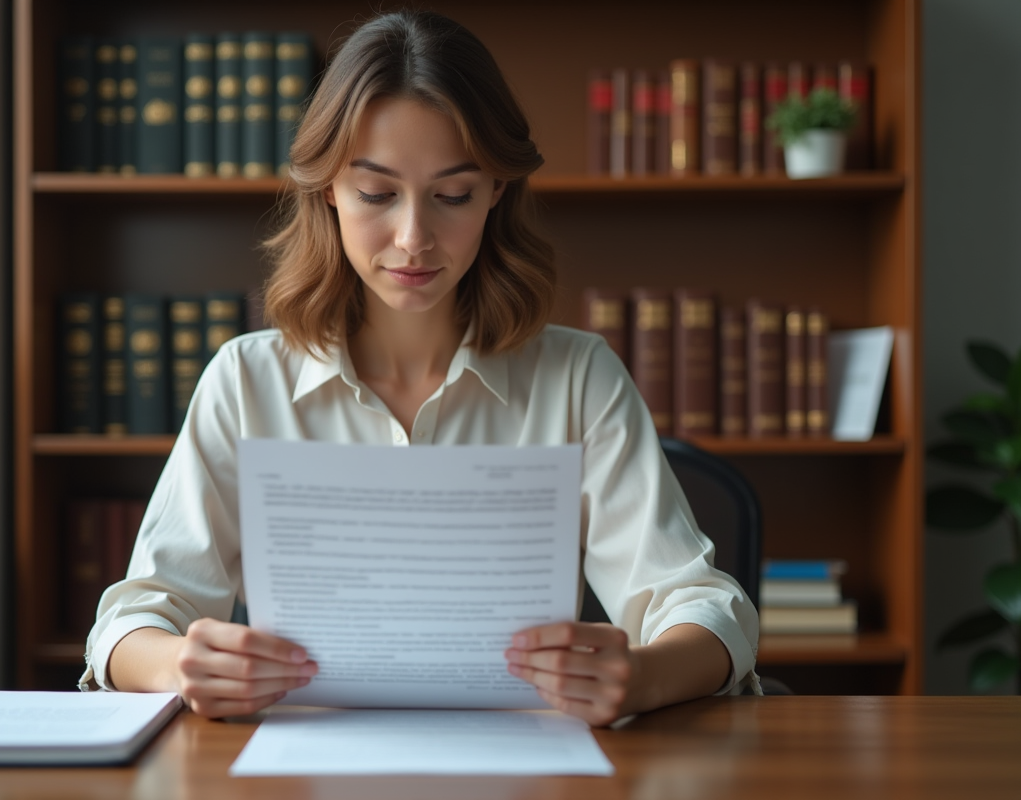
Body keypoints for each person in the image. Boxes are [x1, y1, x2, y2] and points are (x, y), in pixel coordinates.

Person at [82, 10, 759, 727]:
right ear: (328, 191)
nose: (413, 239)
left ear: (497, 191)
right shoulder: (247, 380)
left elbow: (706, 606)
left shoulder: (578, 376)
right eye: (376, 194)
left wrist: (644, 676)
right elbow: (135, 617)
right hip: (302, 761)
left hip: (521, 763)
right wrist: (178, 666)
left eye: (453, 195)